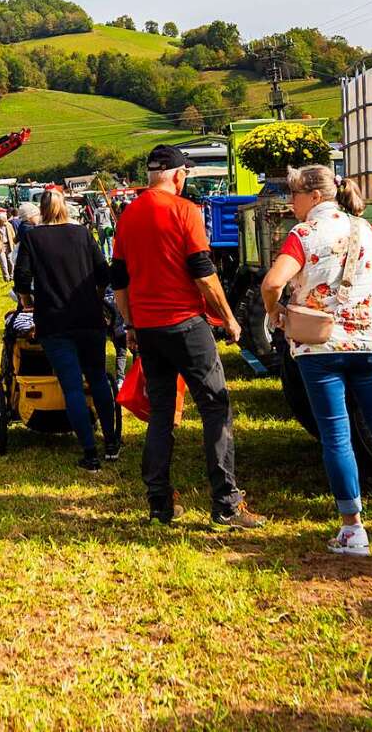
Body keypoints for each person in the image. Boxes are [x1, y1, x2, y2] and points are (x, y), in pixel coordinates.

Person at [261, 164, 372, 554]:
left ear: (314, 197)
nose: (292, 203)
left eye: (295, 195)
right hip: (371, 342)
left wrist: (277, 311)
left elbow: (272, 282)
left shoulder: (303, 234)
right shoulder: (365, 229)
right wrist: (369, 293)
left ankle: (353, 530)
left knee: (337, 437)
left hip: (320, 348)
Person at [112, 145, 264, 528]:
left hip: (148, 328)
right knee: (215, 407)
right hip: (186, 324)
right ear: (178, 176)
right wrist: (229, 319)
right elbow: (202, 271)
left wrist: (130, 325)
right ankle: (226, 503)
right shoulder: (185, 211)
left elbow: (119, 281)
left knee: (162, 414)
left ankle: (160, 504)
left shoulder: (127, 215)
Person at [14, 188, 119, 472]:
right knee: (97, 379)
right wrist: (96, 298)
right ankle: (111, 443)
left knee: (71, 385)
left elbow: (22, 277)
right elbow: (103, 273)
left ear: (42, 210)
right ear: (65, 208)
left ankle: (90, 452)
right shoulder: (83, 234)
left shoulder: (32, 238)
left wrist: (27, 301)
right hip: (88, 317)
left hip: (54, 320)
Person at [0, 213, 17, 282]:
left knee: (11, 262)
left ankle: (12, 276)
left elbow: (13, 236)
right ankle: (6, 278)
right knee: (4, 264)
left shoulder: (9, 225)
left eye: (6, 220)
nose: (5, 222)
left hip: (9, 246)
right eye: (3, 221)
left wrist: (15, 245)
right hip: (0, 247)